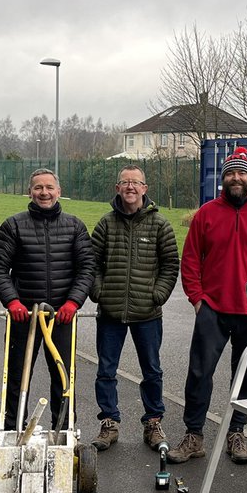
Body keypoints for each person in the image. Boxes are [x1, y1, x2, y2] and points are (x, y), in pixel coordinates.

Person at [167, 147, 247, 465]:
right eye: (231, 173)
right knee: (198, 373)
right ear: (223, 179)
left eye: (242, 173)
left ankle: (237, 432)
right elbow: (191, 260)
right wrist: (197, 299)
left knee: (246, 376)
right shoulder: (206, 214)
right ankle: (194, 435)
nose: (236, 178)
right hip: (214, 310)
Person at [0, 168, 93, 431]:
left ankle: (65, 431)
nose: (43, 193)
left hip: (61, 317)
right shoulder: (13, 225)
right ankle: (13, 430)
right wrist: (12, 302)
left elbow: (87, 268)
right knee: (17, 378)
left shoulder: (75, 226)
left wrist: (73, 302)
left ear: (59, 191)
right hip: (24, 318)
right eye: (38, 188)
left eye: (49, 188)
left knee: (63, 379)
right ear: (30, 191)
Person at [87, 166, 180, 452]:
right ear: (117, 188)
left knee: (152, 371)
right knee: (106, 370)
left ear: (145, 188)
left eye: (135, 182)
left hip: (147, 313)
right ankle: (109, 422)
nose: (130, 187)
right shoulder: (105, 224)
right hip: (111, 313)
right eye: (125, 182)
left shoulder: (160, 225)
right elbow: (92, 263)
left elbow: (170, 265)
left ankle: (153, 422)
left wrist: (158, 294)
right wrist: (98, 291)